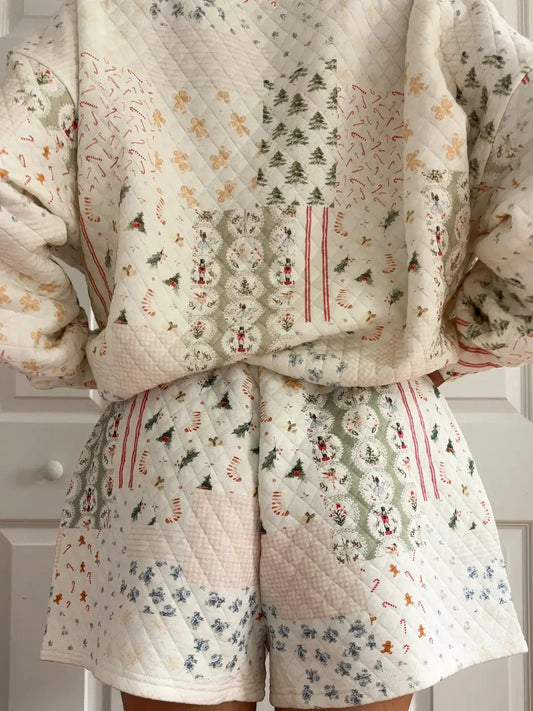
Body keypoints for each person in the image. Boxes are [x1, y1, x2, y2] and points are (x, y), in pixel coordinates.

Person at [0, 1, 532, 709]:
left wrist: (65, 351)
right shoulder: (434, 12)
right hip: (371, 443)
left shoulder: (94, 18)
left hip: (168, 440)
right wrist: (474, 335)